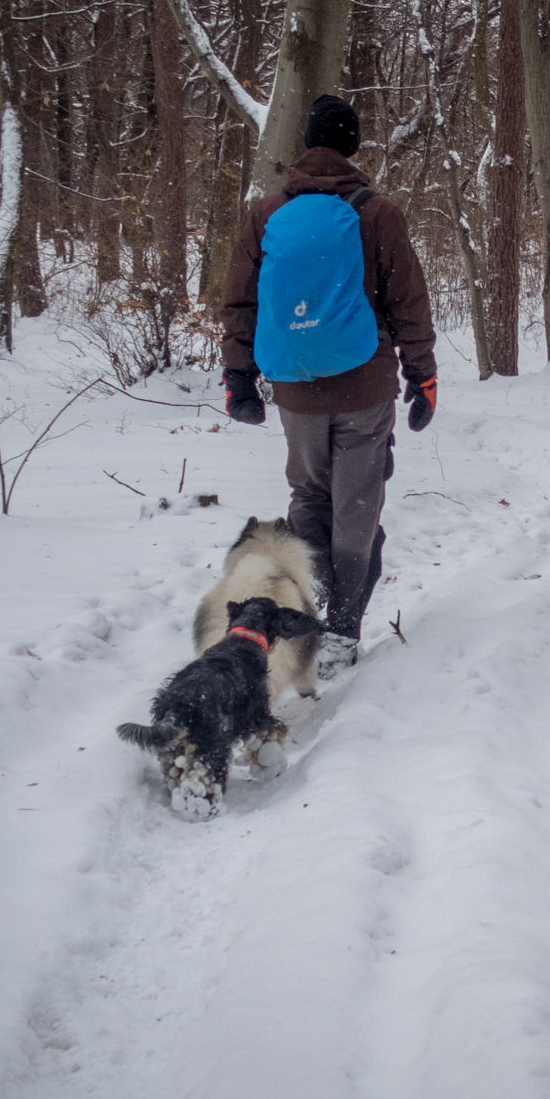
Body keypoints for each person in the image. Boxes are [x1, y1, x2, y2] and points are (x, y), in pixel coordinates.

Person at [219, 94, 437, 676]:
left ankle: (309, 620)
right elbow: (408, 303)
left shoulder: (267, 214)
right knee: (356, 506)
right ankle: (341, 630)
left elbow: (240, 301)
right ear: (353, 147)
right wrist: (424, 374)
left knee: (309, 499)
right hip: (365, 387)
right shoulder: (377, 214)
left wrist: (238, 375)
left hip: (294, 388)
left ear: (306, 148)